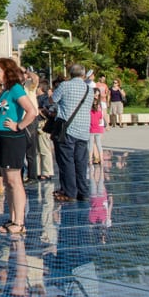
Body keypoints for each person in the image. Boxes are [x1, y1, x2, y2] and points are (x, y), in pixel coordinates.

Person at [0, 57, 36, 235]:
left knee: (15, 180)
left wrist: (19, 125)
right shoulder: (5, 91)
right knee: (8, 182)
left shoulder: (16, 89)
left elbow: (32, 111)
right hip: (2, 138)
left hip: (12, 138)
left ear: (7, 72)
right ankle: (12, 217)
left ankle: (20, 221)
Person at [52, 63, 94, 202]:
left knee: (66, 161)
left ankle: (70, 192)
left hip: (67, 130)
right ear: (83, 74)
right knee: (81, 162)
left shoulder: (65, 85)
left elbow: (52, 99)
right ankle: (83, 191)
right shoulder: (89, 89)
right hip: (83, 130)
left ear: (70, 74)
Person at [89, 98, 105, 165]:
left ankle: (90, 160)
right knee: (99, 145)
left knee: (90, 145)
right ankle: (101, 160)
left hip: (91, 130)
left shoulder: (89, 112)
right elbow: (100, 121)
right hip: (98, 130)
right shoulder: (99, 113)